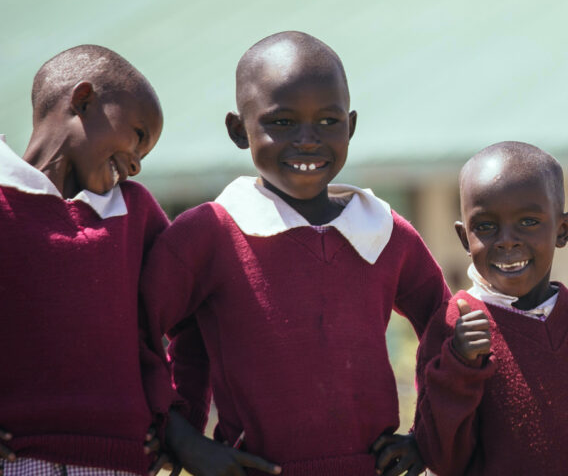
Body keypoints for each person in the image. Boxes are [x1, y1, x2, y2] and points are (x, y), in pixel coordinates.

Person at [139, 31, 451, 476]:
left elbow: (446, 326)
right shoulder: (209, 233)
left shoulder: (381, 230)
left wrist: (428, 437)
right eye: (282, 122)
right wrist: (183, 439)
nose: (308, 140)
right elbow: (132, 333)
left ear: (352, 125)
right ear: (238, 130)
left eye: (328, 121)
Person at [412, 141, 568, 475]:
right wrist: (459, 365)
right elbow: (439, 457)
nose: (507, 240)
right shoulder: (452, 325)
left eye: (529, 222)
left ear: (563, 230)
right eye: (486, 226)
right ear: (465, 239)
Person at [0, 45, 169, 476]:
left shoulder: (137, 214)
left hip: (120, 459)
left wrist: (177, 420)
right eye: (137, 136)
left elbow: (197, 315)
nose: (135, 165)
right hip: (18, 460)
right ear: (83, 100)